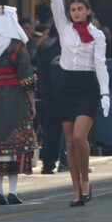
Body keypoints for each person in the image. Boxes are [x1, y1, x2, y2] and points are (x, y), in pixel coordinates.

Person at [50, 0, 110, 207]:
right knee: (69, 143)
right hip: (65, 84)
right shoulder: (64, 28)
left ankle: (86, 180)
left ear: (87, 10)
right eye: (72, 9)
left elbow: (101, 65)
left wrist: (105, 93)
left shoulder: (97, 35)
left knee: (78, 137)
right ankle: (76, 189)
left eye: (79, 9)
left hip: (86, 86)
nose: (75, 12)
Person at [0, 4, 38, 205]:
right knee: (14, 145)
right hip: (14, 99)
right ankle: (12, 191)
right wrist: (32, 103)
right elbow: (26, 80)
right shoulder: (18, 47)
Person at [38, 25, 68, 174]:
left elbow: (42, 76)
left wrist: (45, 93)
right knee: (68, 131)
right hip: (65, 97)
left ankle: (49, 163)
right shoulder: (69, 52)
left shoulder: (48, 51)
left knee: (52, 131)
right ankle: (64, 161)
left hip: (52, 97)